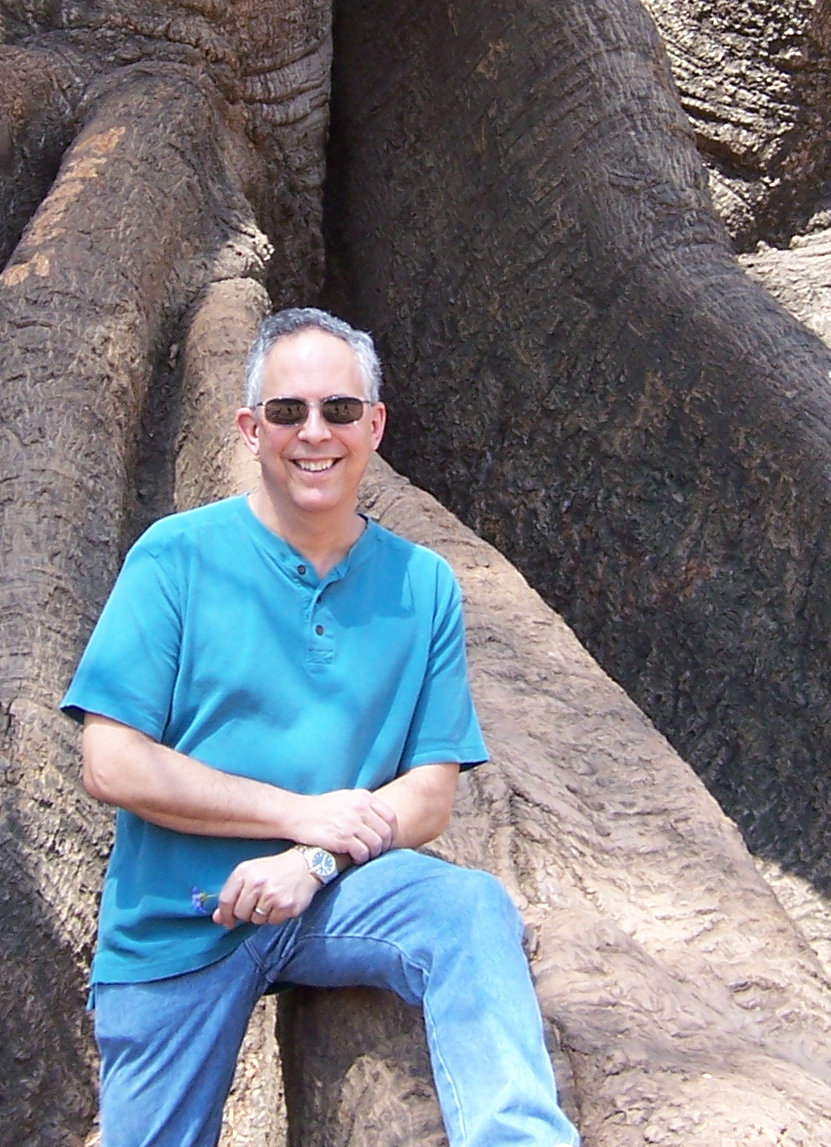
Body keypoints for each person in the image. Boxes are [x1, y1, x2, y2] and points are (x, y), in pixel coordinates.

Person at [62, 306, 579, 1147]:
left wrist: (314, 857)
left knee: (468, 912)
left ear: (373, 425)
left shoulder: (425, 586)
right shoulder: (174, 558)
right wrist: (298, 816)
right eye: (287, 411)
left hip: (329, 895)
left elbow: (430, 791)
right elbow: (111, 763)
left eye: (339, 410)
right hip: (177, 920)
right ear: (248, 428)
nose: (315, 434)